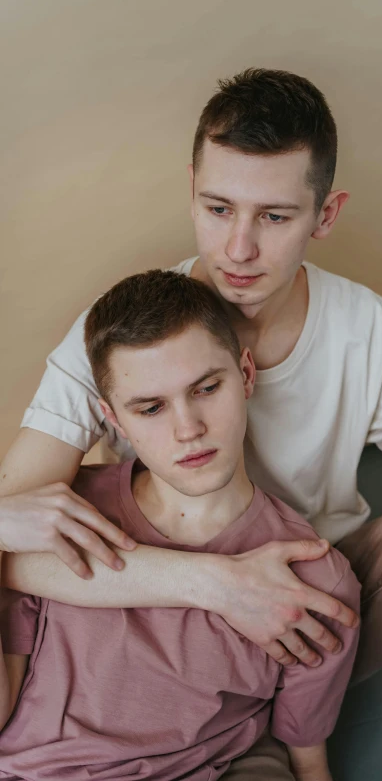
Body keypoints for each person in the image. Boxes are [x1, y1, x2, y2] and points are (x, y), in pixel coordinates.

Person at [1, 67, 382, 779]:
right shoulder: (123, 340)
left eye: (274, 217)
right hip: (160, 599)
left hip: (316, 606)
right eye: (218, 208)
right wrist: (218, 584)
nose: (238, 248)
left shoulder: (371, 328)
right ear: (191, 189)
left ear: (325, 215)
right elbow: (13, 540)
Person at [0, 270, 360, 781]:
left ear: (247, 375)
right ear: (114, 421)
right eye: (150, 408)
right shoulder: (59, 516)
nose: (188, 429)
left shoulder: (318, 582)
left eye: (207, 388)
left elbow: (308, 759)